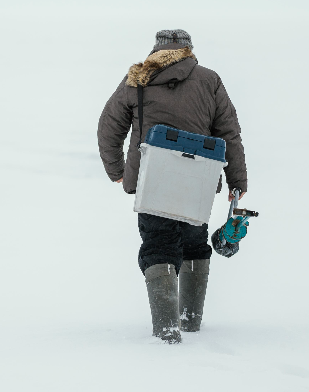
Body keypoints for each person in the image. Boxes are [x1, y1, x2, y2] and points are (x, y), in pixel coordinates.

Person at [97, 29, 248, 343]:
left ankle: (167, 329)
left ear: (155, 51)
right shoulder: (209, 80)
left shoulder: (137, 80)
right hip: (200, 180)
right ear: (189, 51)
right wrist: (237, 181)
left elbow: (108, 127)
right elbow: (229, 133)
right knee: (194, 243)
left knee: (158, 244)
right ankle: (190, 321)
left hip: (153, 179)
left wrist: (117, 171)